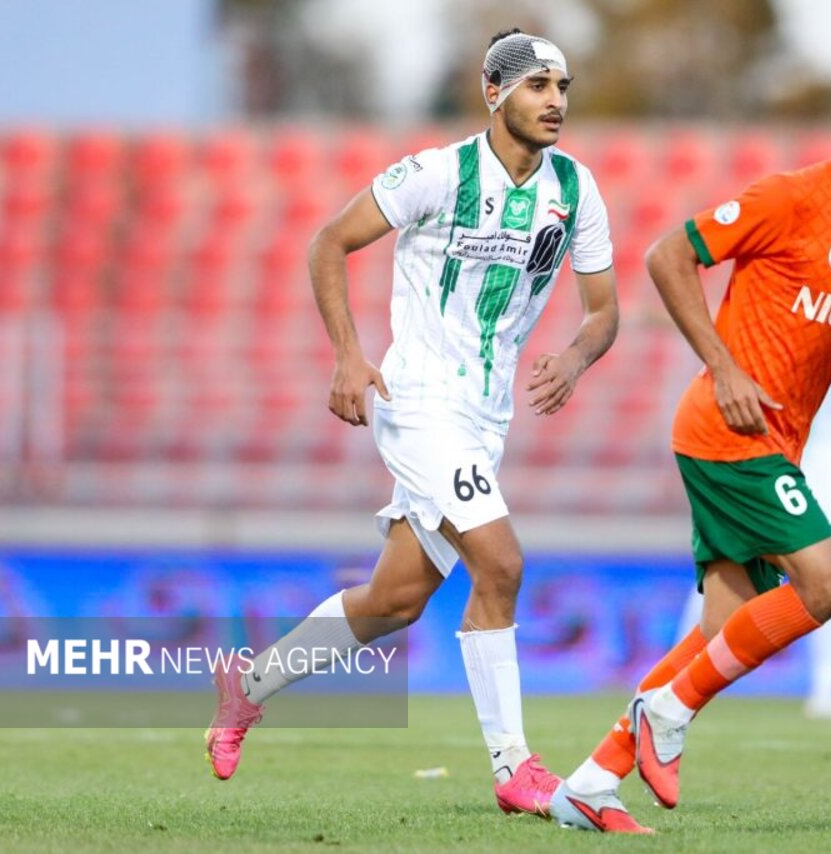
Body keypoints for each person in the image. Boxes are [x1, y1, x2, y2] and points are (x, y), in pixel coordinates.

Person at [205, 29, 619, 820]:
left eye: (563, 87)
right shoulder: (438, 173)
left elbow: (604, 311)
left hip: (486, 416)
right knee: (501, 564)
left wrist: (574, 357)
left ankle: (246, 687)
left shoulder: (576, 189)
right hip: (422, 401)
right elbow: (330, 242)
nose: (555, 101)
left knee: (394, 600)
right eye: (537, 85)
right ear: (494, 92)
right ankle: (515, 766)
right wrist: (348, 356)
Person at [550, 68, 831, 833]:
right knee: (828, 582)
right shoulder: (792, 198)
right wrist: (722, 366)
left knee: (720, 634)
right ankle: (667, 712)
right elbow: (667, 255)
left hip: (775, 444)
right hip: (729, 430)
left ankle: (590, 783)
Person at [675, 327, 831, 720]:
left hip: (827, 453)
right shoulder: (781, 308)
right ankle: (683, 673)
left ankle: (826, 689)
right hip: (768, 447)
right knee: (728, 561)